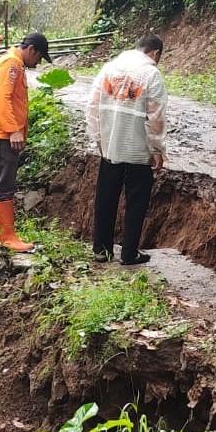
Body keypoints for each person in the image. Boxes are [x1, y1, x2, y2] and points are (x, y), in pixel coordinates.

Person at [86, 34, 168, 265]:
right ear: (155, 53)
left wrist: (99, 140)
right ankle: (129, 252)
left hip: (110, 147)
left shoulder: (108, 69)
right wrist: (157, 149)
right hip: (137, 150)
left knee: (106, 198)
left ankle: (101, 250)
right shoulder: (151, 74)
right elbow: (155, 116)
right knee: (136, 201)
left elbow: (92, 107)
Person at [0, 32, 50, 252]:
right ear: (31, 50)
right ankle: (7, 237)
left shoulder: (10, 62)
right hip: (2, 135)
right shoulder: (12, 64)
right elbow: (4, 99)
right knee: (4, 186)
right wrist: (13, 130)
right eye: (39, 57)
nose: (38, 62)